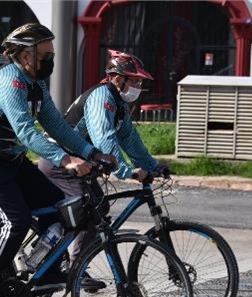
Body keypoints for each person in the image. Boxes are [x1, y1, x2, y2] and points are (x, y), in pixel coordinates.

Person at [0, 23, 115, 297]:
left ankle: (47, 270)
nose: (51, 59)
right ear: (26, 55)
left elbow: (56, 126)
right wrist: (65, 160)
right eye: (46, 54)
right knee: (15, 220)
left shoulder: (35, 84)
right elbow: (26, 132)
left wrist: (92, 152)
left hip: (8, 160)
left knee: (59, 210)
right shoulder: (9, 80)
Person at [39, 49, 165, 269]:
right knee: (86, 209)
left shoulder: (119, 105)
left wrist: (152, 166)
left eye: (139, 82)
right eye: (134, 80)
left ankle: (76, 268)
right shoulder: (102, 96)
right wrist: (127, 171)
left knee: (98, 208)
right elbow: (103, 138)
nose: (138, 86)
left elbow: (130, 140)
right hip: (61, 161)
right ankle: (51, 260)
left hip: (82, 164)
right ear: (117, 78)